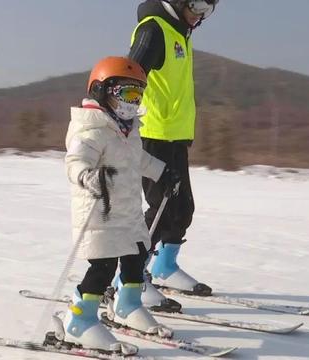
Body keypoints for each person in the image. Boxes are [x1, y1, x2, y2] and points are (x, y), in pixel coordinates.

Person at [63, 56, 178, 351]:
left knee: (137, 258)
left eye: (137, 95)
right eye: (126, 93)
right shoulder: (92, 128)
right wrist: (87, 176)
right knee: (102, 267)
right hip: (99, 214)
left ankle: (127, 306)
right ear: (102, 90)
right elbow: (75, 161)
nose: (132, 101)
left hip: (128, 211)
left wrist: (163, 172)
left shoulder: (128, 129)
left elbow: (138, 160)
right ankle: (79, 320)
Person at [126, 0, 220, 309]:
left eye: (209, 9)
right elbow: (130, 76)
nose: (200, 15)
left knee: (182, 209)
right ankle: (129, 280)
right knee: (160, 210)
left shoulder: (179, 33)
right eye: (197, 5)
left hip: (175, 136)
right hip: (153, 135)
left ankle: (164, 266)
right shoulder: (154, 30)